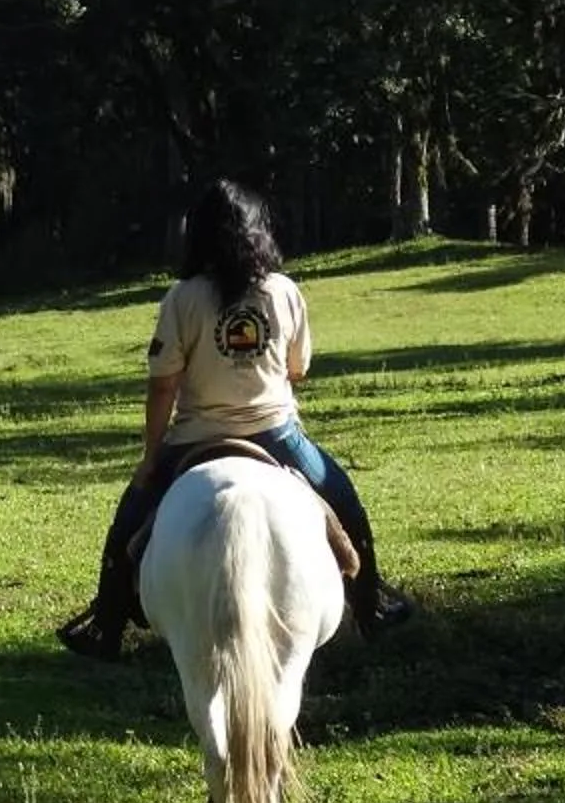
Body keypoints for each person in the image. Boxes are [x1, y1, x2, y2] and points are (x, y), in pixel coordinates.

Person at [57, 178, 411, 657]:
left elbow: (163, 385)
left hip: (195, 437)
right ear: (259, 232)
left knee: (128, 524)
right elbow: (298, 369)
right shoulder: (284, 291)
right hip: (276, 434)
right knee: (344, 499)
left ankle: (107, 622)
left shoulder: (182, 298)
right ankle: (370, 604)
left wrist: (150, 457)